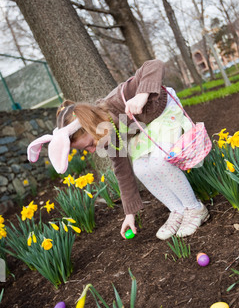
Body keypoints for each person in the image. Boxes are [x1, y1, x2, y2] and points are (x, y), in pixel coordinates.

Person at [28, 59, 209, 239]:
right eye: (87, 149)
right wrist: (129, 214)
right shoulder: (109, 137)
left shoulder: (119, 99)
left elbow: (154, 65)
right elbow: (123, 173)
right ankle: (177, 210)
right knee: (141, 168)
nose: (92, 151)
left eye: (90, 144)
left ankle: (194, 208)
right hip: (147, 127)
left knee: (160, 161)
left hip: (163, 111)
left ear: (92, 126)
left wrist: (142, 95)